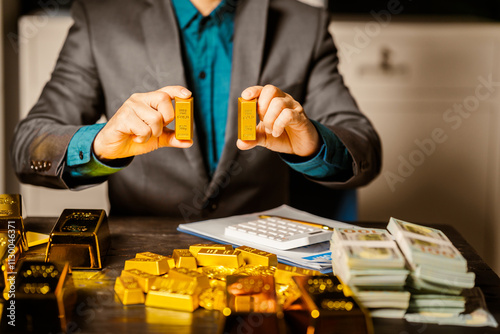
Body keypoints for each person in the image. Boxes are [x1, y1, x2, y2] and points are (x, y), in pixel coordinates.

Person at [10, 0, 381, 222]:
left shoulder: (304, 24)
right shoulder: (101, 18)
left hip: (263, 258)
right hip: (139, 262)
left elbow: (365, 148)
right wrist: (99, 144)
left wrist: (313, 143)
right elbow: (28, 148)